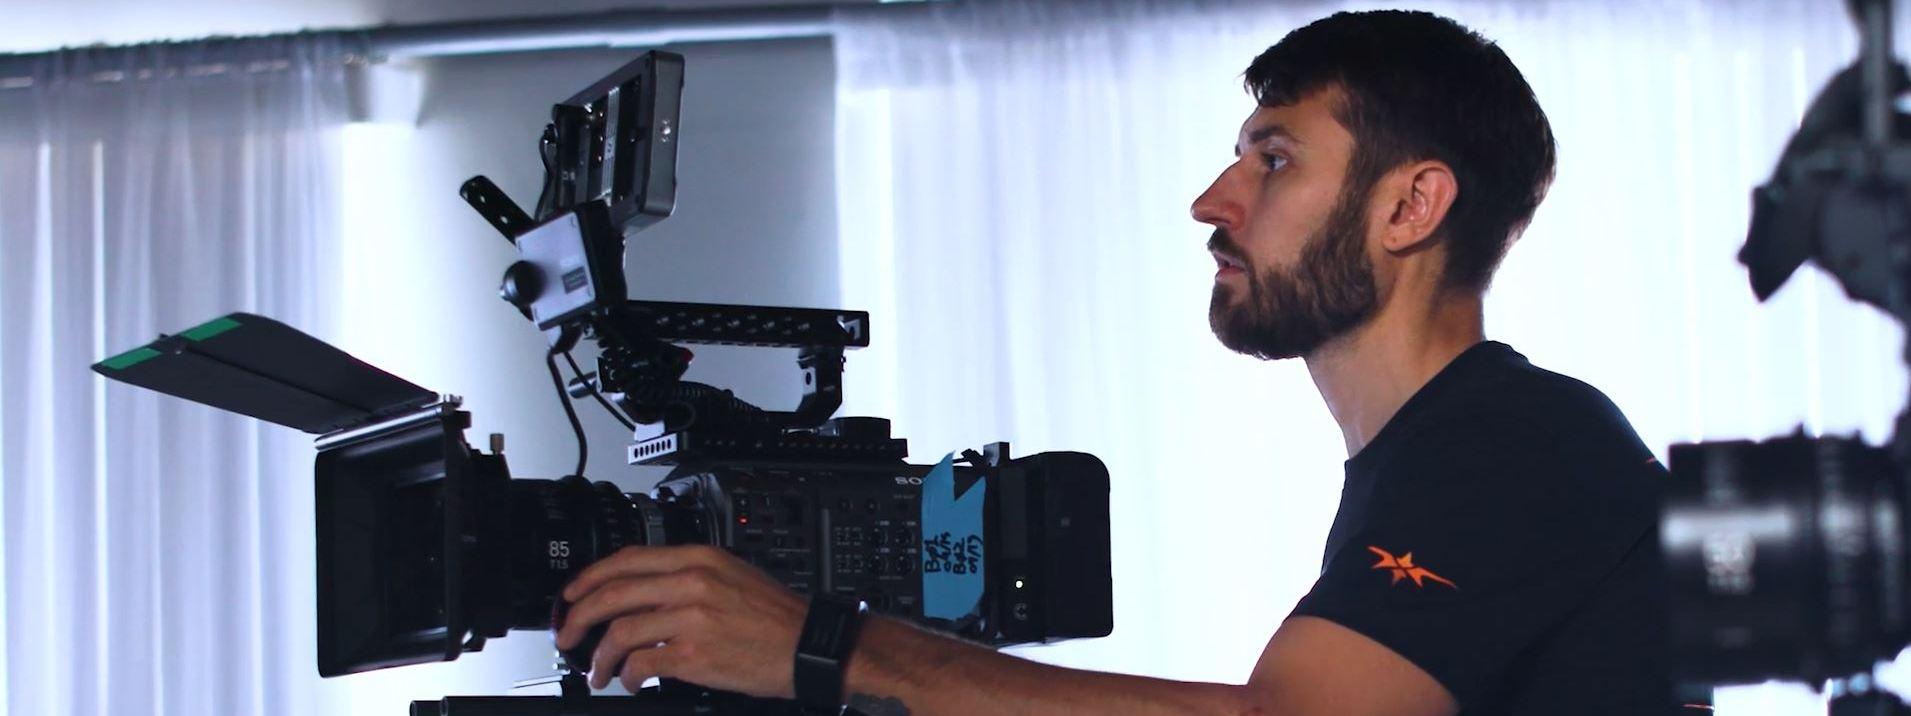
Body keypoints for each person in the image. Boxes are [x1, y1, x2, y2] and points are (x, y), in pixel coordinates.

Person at [553, 10, 1675, 715]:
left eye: (1273, 159)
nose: (1212, 201)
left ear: (1411, 205)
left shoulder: (1521, 444)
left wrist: (821, 646)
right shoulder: (1445, 454)